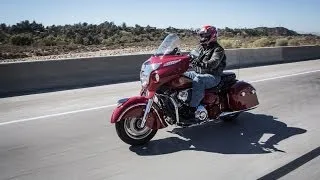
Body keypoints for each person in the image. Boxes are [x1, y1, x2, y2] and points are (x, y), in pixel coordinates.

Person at [184, 25, 227, 116]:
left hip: (213, 76)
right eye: (201, 35)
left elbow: (214, 63)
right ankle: (182, 100)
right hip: (197, 72)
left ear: (212, 36)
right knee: (182, 76)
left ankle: (193, 108)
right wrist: (179, 57)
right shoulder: (201, 48)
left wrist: (200, 63)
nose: (202, 38)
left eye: (205, 35)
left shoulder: (218, 49)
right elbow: (190, 55)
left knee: (198, 80)